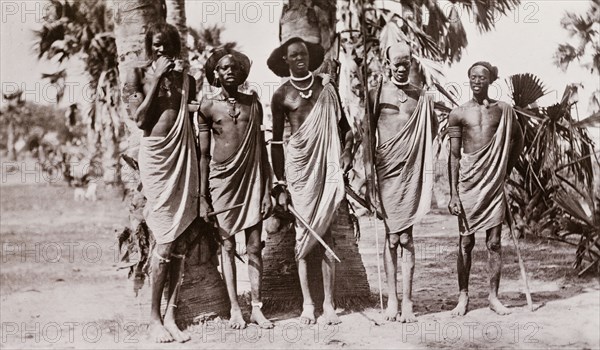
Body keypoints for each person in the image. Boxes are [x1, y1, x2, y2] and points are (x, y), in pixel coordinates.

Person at [268, 37, 354, 325]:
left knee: (326, 236)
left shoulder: (326, 88)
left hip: (326, 169)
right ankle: (307, 305)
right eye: (293, 55)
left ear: (309, 56)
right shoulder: (281, 95)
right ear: (285, 60)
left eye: (303, 54)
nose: (299, 58)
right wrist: (279, 183)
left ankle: (329, 304)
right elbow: (277, 142)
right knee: (303, 237)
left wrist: (347, 155)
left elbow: (346, 130)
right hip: (299, 170)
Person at [123, 23, 197, 343]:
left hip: (183, 157)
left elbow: (192, 123)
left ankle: (171, 313)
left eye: (167, 44)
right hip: (155, 157)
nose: (161, 49)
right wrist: (155, 79)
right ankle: (153, 318)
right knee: (163, 237)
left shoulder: (187, 81)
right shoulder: (136, 75)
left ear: (175, 46)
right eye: (156, 44)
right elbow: (140, 120)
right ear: (148, 45)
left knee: (180, 239)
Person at [198, 48, 274, 330]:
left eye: (235, 67)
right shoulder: (207, 107)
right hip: (221, 182)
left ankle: (256, 307)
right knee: (227, 245)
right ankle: (234, 309)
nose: (230, 71)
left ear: (242, 73)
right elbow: (203, 156)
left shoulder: (253, 103)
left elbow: (262, 150)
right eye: (224, 68)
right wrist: (202, 196)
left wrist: (267, 189)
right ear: (216, 74)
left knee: (254, 246)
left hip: (252, 178)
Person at [447, 61, 524, 316]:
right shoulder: (458, 113)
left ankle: (493, 297)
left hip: (493, 183)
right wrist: (453, 193)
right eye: (473, 77)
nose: (477, 81)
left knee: (494, 243)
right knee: (465, 242)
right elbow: (454, 156)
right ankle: (463, 297)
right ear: (468, 80)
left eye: (482, 77)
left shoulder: (503, 111)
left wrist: (504, 171)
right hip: (468, 183)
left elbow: (518, 140)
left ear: (490, 81)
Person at [367, 42, 437, 323]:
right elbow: (366, 138)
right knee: (391, 237)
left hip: (410, 173)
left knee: (406, 237)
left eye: (405, 63)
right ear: (386, 64)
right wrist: (369, 177)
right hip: (386, 172)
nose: (400, 68)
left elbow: (428, 132)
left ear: (411, 64)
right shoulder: (376, 95)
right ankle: (392, 302)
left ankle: (408, 301)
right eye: (396, 63)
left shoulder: (421, 96)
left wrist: (418, 165)